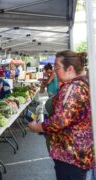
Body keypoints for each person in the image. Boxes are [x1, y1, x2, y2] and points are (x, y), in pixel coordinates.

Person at [28, 50, 94, 180]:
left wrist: (37, 127)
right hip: (74, 153)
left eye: (57, 67)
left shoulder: (75, 88)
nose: (55, 71)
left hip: (71, 155)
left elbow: (60, 121)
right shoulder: (78, 85)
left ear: (69, 69)